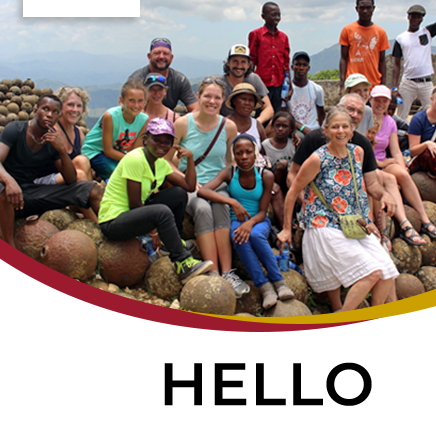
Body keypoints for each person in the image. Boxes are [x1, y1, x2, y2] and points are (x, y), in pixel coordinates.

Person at [277, 107, 399, 312]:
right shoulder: (317, 158)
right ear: (326, 131)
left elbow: (362, 189)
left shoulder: (358, 152)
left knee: (387, 271)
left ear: (352, 130)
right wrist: (287, 229)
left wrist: (382, 200)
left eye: (345, 126)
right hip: (323, 222)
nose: (341, 131)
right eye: (335, 127)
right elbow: (292, 192)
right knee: (373, 273)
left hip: (352, 222)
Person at [98, 118, 213, 283]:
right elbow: (135, 204)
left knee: (178, 193)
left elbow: (189, 186)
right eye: (156, 140)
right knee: (161, 212)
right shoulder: (135, 159)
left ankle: (172, 242)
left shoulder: (161, 164)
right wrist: (154, 232)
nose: (162, 145)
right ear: (145, 139)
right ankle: (183, 263)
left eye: (167, 142)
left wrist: (190, 159)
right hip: (113, 221)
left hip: (133, 214)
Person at [0, 95, 103, 248]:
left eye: (55, 112)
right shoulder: (15, 129)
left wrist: (61, 150)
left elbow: (70, 179)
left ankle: (108, 230)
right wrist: (9, 181)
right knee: (3, 192)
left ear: (58, 116)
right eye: (45, 109)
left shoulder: (51, 140)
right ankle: (10, 247)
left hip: (31, 193)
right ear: (36, 111)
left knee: (94, 189)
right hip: (4, 196)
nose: (49, 114)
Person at [172, 77, 250, 297]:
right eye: (207, 96)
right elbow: (167, 160)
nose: (212, 101)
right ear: (198, 97)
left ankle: (228, 273)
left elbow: (230, 162)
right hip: (191, 185)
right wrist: (186, 178)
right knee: (203, 209)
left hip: (216, 183)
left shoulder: (228, 127)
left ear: (223, 100)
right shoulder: (183, 124)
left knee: (221, 207)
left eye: (217, 97)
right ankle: (213, 272)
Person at [198, 134, 295, 309]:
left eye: (248, 152)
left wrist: (250, 223)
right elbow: (203, 191)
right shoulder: (229, 172)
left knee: (256, 236)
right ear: (233, 155)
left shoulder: (265, 175)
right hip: (237, 220)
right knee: (239, 237)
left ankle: (279, 283)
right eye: (239, 153)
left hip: (259, 220)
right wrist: (232, 202)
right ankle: (265, 288)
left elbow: (263, 211)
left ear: (255, 153)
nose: (244, 157)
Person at [369, 85, 436, 244]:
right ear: (370, 100)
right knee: (390, 179)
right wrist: (380, 162)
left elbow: (396, 150)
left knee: (402, 174)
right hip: (370, 163)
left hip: (384, 161)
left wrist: (403, 169)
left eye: (384, 101)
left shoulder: (390, 122)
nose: (380, 104)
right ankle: (405, 224)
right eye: (377, 100)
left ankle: (424, 219)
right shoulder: (365, 119)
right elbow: (363, 149)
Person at [28, 86, 96, 222]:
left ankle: (82, 205)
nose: (75, 110)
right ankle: (94, 221)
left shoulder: (78, 133)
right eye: (70, 105)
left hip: (67, 182)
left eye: (79, 106)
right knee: (79, 175)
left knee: (82, 160)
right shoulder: (49, 131)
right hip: (41, 183)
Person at [81, 80, 149, 181]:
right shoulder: (111, 116)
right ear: (122, 100)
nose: (136, 105)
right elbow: (108, 150)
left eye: (140, 101)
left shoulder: (144, 120)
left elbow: (136, 149)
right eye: (131, 100)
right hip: (95, 151)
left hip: (119, 153)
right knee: (118, 172)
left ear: (145, 101)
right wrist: (131, 162)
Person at [129, 37, 198, 113]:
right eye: (157, 53)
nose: (161, 56)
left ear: (171, 58)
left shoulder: (180, 80)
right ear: (149, 56)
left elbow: (195, 109)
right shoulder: (136, 80)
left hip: (170, 119)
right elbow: (127, 108)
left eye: (165, 54)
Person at [339, 0, 389, 91]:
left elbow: (382, 61)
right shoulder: (347, 30)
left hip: (374, 84)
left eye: (368, 8)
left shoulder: (380, 32)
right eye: (362, 8)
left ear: (373, 8)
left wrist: (383, 85)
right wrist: (342, 85)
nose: (365, 11)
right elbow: (343, 58)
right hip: (353, 84)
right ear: (356, 9)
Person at [248, 2, 291, 114]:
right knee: (261, 113)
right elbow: (252, 60)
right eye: (273, 15)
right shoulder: (256, 35)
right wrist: (249, 82)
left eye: (279, 15)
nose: (277, 18)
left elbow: (286, 63)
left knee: (277, 113)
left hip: (278, 83)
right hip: (261, 83)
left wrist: (289, 85)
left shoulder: (283, 37)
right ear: (263, 16)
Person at [219, 44, 274, 124]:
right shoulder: (220, 84)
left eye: (243, 62)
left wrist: (255, 124)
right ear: (228, 63)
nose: (239, 66)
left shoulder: (254, 79)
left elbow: (269, 109)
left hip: (249, 123)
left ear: (248, 65)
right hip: (225, 125)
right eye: (235, 61)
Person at [286, 51, 325, 134]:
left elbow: (321, 114)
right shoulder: (287, 90)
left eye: (304, 65)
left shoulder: (317, 89)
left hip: (314, 129)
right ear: (292, 67)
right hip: (295, 129)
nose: (301, 68)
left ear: (308, 68)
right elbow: (284, 115)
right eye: (298, 64)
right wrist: (302, 128)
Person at [225, 83, 267, 149]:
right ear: (234, 101)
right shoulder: (224, 125)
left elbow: (264, 150)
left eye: (251, 100)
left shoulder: (257, 126)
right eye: (243, 99)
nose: (247, 103)